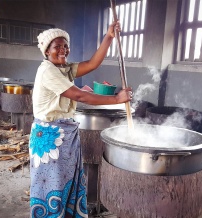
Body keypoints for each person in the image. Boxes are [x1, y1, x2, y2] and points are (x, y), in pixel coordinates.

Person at [29, 21, 132, 218]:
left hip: (65, 134)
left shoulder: (64, 68)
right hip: (49, 137)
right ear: (46, 51)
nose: (63, 50)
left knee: (67, 181)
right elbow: (79, 96)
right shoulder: (47, 70)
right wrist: (116, 99)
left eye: (65, 46)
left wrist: (109, 37)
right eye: (57, 46)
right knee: (53, 184)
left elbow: (93, 64)